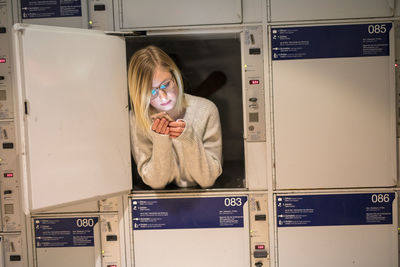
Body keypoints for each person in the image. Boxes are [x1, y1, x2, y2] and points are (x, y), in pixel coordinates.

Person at [128, 45, 222, 189]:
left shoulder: (206, 110)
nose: (163, 97)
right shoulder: (138, 117)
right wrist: (160, 138)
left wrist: (189, 137)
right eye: (151, 91)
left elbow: (207, 180)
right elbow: (156, 183)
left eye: (166, 85)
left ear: (176, 75)